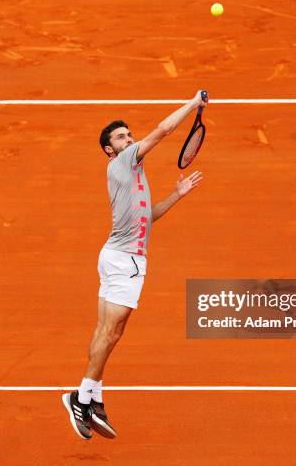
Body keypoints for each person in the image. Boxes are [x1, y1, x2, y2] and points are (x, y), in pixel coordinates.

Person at [62, 91, 208, 440]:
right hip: (125, 261)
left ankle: (92, 397)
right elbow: (162, 130)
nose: (128, 140)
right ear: (110, 150)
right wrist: (193, 104)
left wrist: (177, 195)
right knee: (111, 332)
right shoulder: (124, 162)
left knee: (109, 331)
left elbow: (148, 217)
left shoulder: (134, 175)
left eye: (129, 134)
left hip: (119, 257)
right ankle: (80, 397)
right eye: (121, 137)